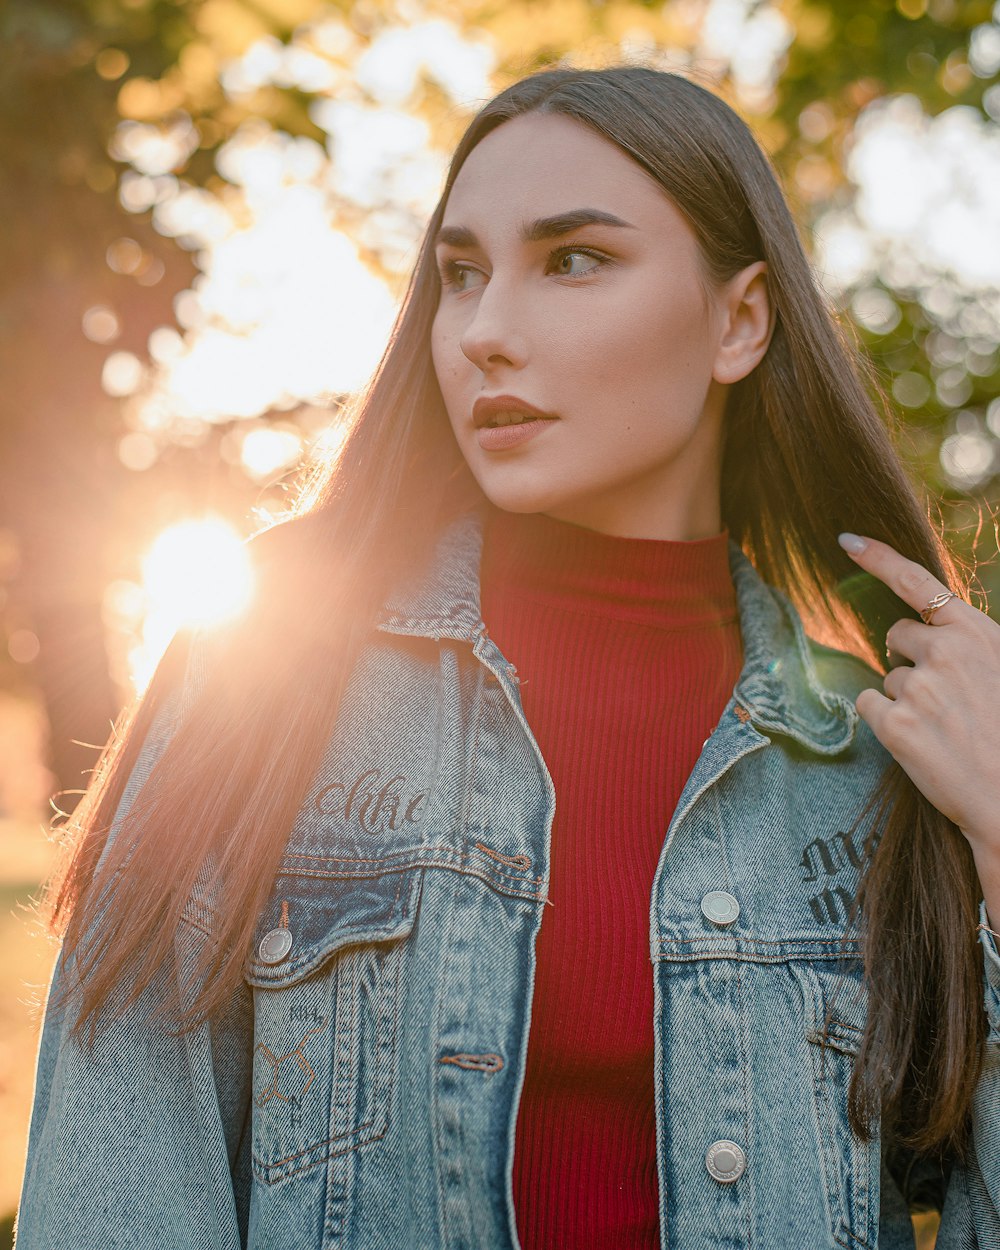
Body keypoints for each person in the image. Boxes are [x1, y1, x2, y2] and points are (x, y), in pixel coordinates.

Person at [14, 64, 1000, 1250]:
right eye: (461, 275)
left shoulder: (887, 746)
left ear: (739, 320)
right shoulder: (265, 658)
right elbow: (117, 1176)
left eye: (574, 259)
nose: (484, 332)